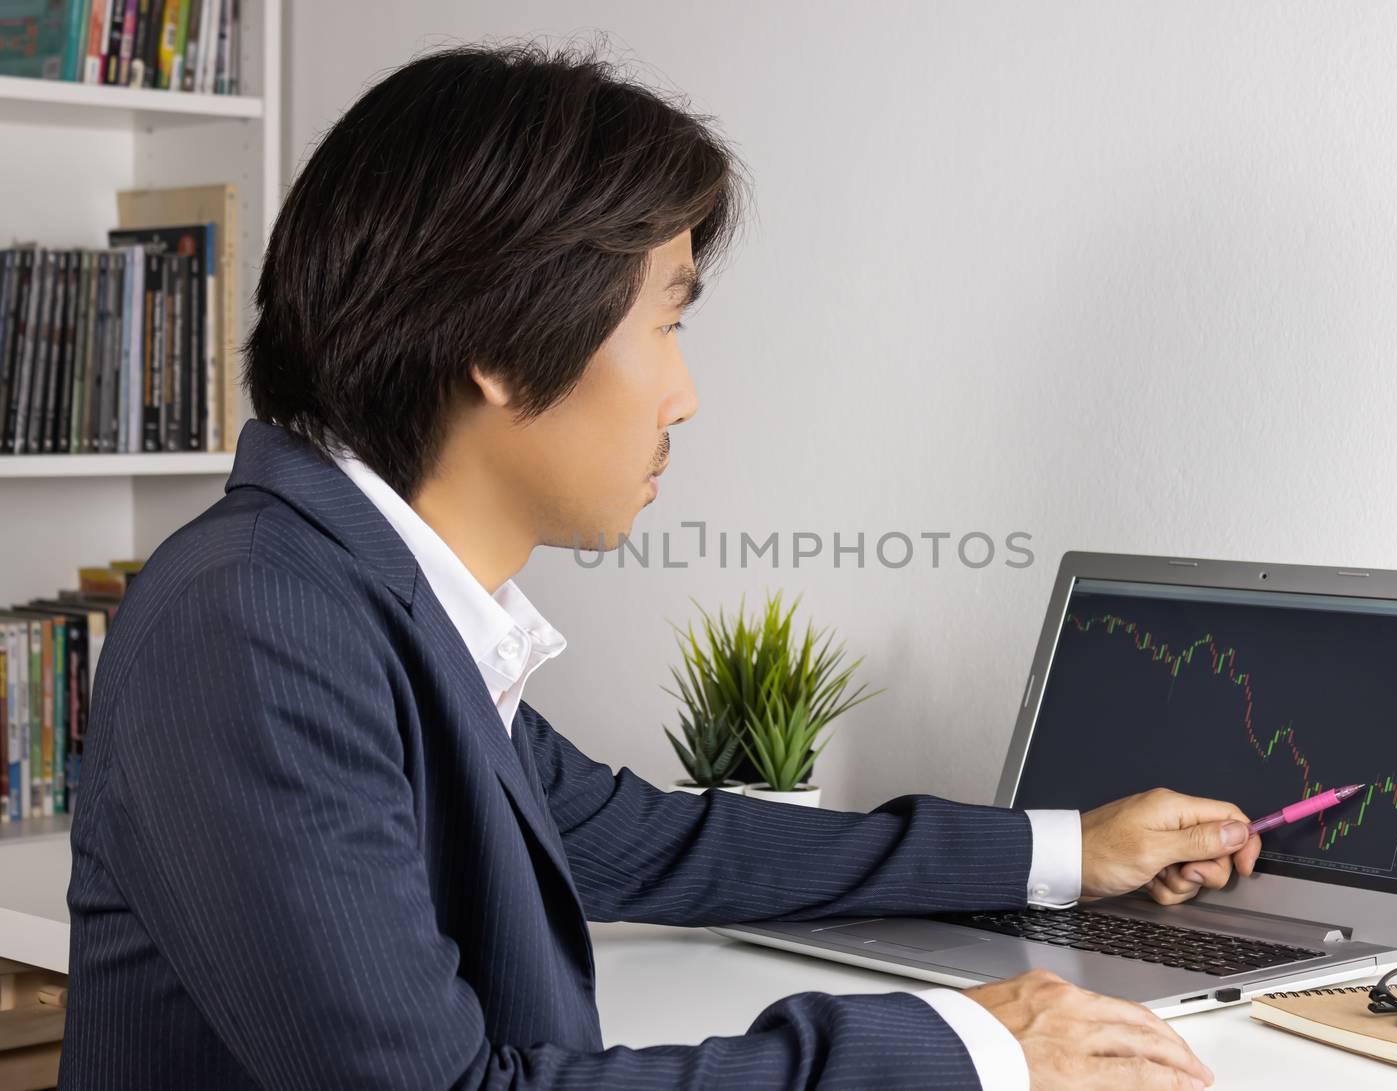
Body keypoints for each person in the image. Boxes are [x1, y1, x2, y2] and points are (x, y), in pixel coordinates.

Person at [59, 40, 1262, 1091]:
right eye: (667, 320)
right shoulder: (257, 624)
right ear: (495, 337)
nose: (683, 395)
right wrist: (964, 1047)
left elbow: (655, 843)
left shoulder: (367, 603)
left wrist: (1066, 849)